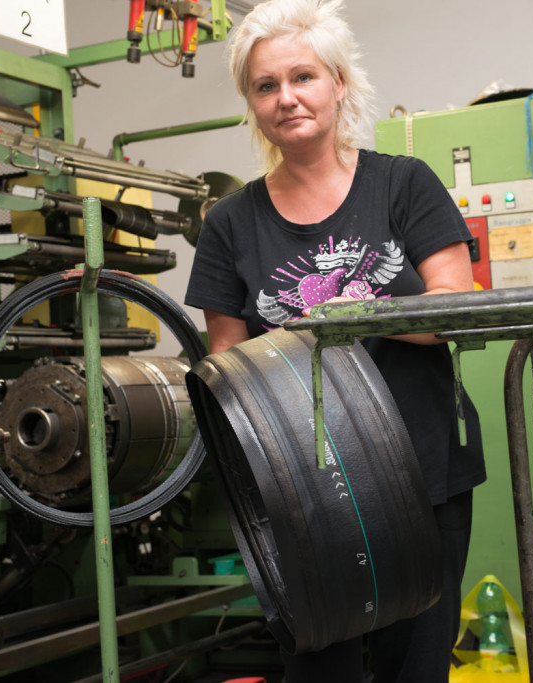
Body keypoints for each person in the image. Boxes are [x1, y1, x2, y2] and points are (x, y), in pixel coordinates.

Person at [184, 0, 485, 680]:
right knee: (320, 669)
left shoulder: (403, 185)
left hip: (423, 468)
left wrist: (360, 313)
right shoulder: (230, 225)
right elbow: (231, 375)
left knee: (416, 665)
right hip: (302, 494)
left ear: (339, 83)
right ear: (252, 102)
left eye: (303, 77)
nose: (286, 98)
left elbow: (456, 311)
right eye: (266, 86)